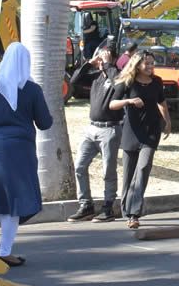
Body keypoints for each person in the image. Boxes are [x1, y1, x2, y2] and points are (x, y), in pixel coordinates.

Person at [0, 42, 52, 266]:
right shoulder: (31, 89)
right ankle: (5, 252)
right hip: (18, 150)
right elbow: (44, 122)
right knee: (13, 202)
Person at [111, 51, 171, 230]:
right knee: (128, 175)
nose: (151, 67)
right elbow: (112, 104)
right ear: (137, 65)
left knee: (143, 168)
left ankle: (134, 213)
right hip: (131, 132)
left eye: (153, 63)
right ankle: (126, 208)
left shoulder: (157, 82)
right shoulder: (127, 82)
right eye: (147, 64)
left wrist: (167, 121)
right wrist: (128, 101)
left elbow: (162, 102)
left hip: (151, 131)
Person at [70, 49, 121, 223]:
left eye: (103, 57)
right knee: (79, 166)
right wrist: (89, 64)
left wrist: (108, 65)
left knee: (108, 170)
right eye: (99, 57)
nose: (100, 61)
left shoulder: (117, 75)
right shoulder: (95, 76)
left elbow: (119, 85)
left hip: (110, 129)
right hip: (91, 129)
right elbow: (74, 81)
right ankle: (86, 205)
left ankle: (108, 207)